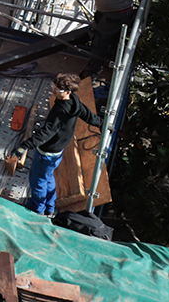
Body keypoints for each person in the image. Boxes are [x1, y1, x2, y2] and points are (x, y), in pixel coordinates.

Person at [12, 73, 103, 217]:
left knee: (38, 181)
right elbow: (87, 114)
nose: (54, 90)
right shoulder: (74, 100)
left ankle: (36, 209)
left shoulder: (60, 109)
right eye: (55, 85)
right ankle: (50, 207)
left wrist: (25, 146)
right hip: (57, 151)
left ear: (68, 91)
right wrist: (103, 124)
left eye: (59, 89)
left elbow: (47, 132)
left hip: (46, 152)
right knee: (48, 177)